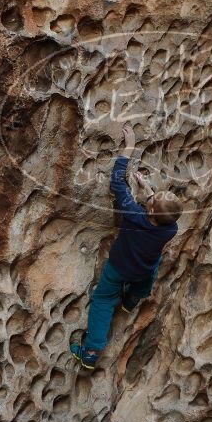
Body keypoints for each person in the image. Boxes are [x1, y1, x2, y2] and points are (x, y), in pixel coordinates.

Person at [70, 123, 182, 370]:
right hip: (142, 269)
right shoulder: (170, 228)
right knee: (152, 269)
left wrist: (129, 148)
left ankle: (90, 351)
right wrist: (149, 190)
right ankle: (131, 299)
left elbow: (118, 184)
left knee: (102, 301)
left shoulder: (133, 213)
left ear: (149, 209)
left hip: (119, 268)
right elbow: (159, 213)